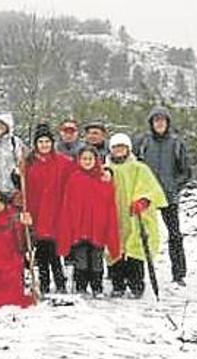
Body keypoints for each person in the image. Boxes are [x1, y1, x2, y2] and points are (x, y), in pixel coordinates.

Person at [133, 106, 190, 286]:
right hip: (146, 196)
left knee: (174, 235)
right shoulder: (142, 142)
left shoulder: (176, 143)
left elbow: (186, 172)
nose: (159, 123)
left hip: (168, 196)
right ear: (151, 123)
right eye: (156, 120)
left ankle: (179, 274)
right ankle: (137, 273)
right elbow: (134, 166)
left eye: (162, 120)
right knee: (140, 234)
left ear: (167, 122)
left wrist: (174, 185)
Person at [106, 133, 168, 298]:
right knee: (114, 249)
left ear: (128, 149)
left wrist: (143, 200)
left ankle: (136, 284)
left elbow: (151, 189)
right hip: (114, 215)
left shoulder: (140, 168)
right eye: (115, 147)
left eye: (122, 147)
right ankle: (118, 283)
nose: (119, 150)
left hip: (135, 216)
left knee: (136, 249)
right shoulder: (105, 169)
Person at [56, 146, 121, 295]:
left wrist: (107, 226)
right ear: (79, 160)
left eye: (90, 159)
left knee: (97, 259)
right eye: (84, 159)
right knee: (81, 259)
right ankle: (81, 286)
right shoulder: (74, 178)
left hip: (97, 227)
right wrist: (69, 225)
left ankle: (97, 286)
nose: (87, 162)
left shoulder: (103, 179)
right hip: (79, 227)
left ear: (96, 160)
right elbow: (68, 204)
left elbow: (109, 204)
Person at [22, 124, 74, 293]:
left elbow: (76, 176)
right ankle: (44, 282)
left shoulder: (63, 162)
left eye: (47, 141)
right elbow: (24, 187)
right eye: (40, 142)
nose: (44, 145)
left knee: (54, 249)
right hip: (36, 211)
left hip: (55, 211)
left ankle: (59, 282)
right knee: (41, 251)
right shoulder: (29, 164)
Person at [0, 113, 25, 196]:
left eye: (3, 125)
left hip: (12, 186)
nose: (0, 128)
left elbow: (21, 161)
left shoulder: (15, 142)